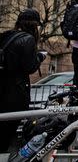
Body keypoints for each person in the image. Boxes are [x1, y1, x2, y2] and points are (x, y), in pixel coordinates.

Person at [0, 9, 46, 152]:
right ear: (34, 26)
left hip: (2, 89)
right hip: (14, 94)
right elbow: (30, 66)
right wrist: (40, 57)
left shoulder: (6, 36)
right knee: (6, 135)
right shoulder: (28, 39)